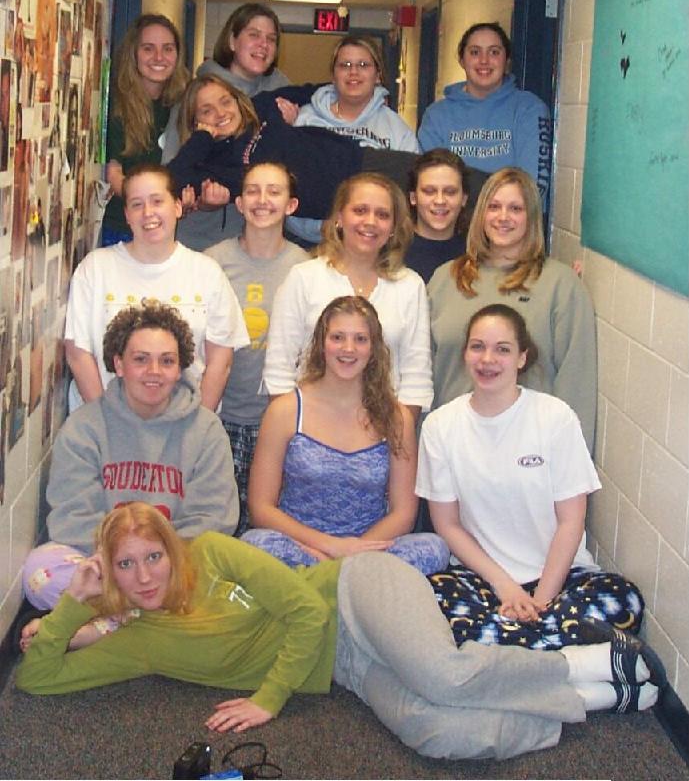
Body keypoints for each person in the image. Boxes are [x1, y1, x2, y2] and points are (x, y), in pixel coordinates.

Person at [17, 501, 665, 761]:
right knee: (442, 733)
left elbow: (304, 610)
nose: (144, 576)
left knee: (441, 676)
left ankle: (585, 663)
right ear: (109, 575)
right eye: (125, 566)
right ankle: (590, 700)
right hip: (343, 669)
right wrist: (73, 606)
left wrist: (267, 699)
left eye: (153, 556)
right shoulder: (138, 642)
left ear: (171, 547)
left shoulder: (211, 552)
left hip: (354, 592)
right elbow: (36, 680)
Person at [417, 304, 642, 649]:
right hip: (481, 580)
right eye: (477, 347)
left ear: (522, 358)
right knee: (425, 604)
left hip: (560, 579)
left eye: (502, 349)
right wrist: (505, 587)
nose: (487, 359)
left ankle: (502, 652)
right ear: (465, 353)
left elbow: (571, 521)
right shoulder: (440, 426)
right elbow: (447, 525)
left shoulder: (555, 417)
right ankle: (569, 659)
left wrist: (541, 602)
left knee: (624, 599)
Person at [22, 303, 239, 613]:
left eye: (167, 361)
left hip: (176, 566)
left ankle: (111, 622)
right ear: (119, 364)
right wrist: (126, 566)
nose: (154, 371)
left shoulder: (207, 430)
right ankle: (145, 622)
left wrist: (156, 566)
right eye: (141, 359)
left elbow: (212, 518)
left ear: (180, 369)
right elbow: (72, 518)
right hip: (107, 565)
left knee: (238, 568)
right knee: (40, 570)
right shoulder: (84, 427)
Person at [243, 297, 448, 574]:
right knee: (255, 543)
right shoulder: (285, 411)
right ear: (321, 343)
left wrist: (354, 553)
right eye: (337, 337)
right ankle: (341, 584)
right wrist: (329, 547)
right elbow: (261, 508)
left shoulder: (396, 418)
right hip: (302, 549)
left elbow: (404, 513)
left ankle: (329, 581)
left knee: (433, 548)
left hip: (368, 552)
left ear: (374, 348)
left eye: (360, 339)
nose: (348, 349)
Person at [427, 167, 596, 448]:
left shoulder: (560, 285)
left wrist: (570, 458)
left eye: (515, 208)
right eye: (494, 207)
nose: (503, 217)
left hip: (528, 451)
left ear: (531, 217)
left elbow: (577, 383)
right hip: (454, 447)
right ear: (481, 213)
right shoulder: (445, 279)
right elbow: (423, 373)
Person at [64, 164, 249, 413]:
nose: (148, 212)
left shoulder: (207, 273)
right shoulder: (95, 268)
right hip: (106, 423)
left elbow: (221, 361)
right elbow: (77, 354)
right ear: (127, 215)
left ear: (177, 207)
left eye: (157, 201)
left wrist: (197, 427)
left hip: (184, 425)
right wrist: (107, 421)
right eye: (137, 204)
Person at [263, 173, 433, 419]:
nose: (370, 222)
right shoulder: (303, 278)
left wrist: (396, 433)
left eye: (382, 215)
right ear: (340, 218)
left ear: (393, 227)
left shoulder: (410, 286)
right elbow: (279, 370)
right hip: (309, 426)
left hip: (382, 428)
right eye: (360, 210)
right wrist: (296, 430)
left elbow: (416, 380)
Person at [205, 163, 309, 534]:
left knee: (269, 530)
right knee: (220, 528)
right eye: (253, 191)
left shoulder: (306, 269)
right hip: (223, 419)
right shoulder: (211, 263)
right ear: (239, 203)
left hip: (282, 424)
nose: (262, 200)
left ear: (291, 205)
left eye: (274, 191)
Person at [166, 75, 420, 225]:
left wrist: (365, 91)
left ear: (237, 100)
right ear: (195, 120)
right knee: (413, 217)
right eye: (207, 111)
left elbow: (316, 90)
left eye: (225, 102)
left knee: (430, 181)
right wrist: (202, 137)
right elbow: (170, 181)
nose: (221, 113)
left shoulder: (262, 106)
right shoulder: (214, 167)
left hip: (360, 161)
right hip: (341, 209)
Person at [161, 3, 292, 252]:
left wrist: (290, 126)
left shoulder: (283, 100)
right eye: (254, 35)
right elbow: (170, 178)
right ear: (232, 41)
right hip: (197, 242)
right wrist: (198, 202)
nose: (263, 45)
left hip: (255, 246)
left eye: (271, 39)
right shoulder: (194, 98)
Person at [288, 34, 419, 244]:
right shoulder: (303, 119)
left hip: (372, 245)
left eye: (363, 65)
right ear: (333, 75)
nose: (353, 72)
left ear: (378, 75)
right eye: (345, 65)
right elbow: (285, 181)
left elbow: (409, 191)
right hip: (305, 242)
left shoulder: (397, 129)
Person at [418, 22, 551, 201]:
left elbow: (532, 187)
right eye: (475, 52)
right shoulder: (436, 116)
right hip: (452, 217)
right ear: (462, 60)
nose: (484, 60)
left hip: (508, 216)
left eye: (494, 52)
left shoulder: (529, 109)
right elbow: (431, 184)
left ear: (507, 60)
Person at [102, 15, 189, 246]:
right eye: (148, 48)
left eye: (167, 49)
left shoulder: (183, 104)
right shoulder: (116, 106)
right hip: (123, 229)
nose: (159, 57)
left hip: (166, 230)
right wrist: (152, 203)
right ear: (133, 53)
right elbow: (113, 175)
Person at [405, 149, 470, 284]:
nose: (440, 201)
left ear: (464, 199)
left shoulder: (476, 254)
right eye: (429, 191)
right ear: (413, 197)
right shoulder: (390, 250)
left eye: (450, 192)